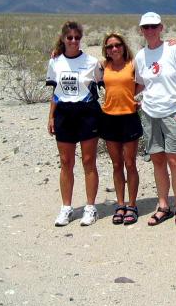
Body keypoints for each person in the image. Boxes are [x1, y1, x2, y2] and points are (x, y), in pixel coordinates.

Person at [134, 12, 176, 227]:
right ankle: (163, 206)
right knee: (157, 160)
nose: (150, 30)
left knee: (174, 160)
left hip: (173, 111)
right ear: (141, 30)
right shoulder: (140, 56)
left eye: (154, 26)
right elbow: (140, 83)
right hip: (150, 113)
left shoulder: (173, 50)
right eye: (146, 27)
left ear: (161, 28)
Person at [46, 21, 103, 227]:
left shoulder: (91, 62)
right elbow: (55, 92)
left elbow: (106, 78)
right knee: (66, 162)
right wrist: (51, 117)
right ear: (63, 39)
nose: (73, 41)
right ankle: (66, 208)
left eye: (77, 38)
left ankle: (90, 207)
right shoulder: (55, 62)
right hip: (64, 114)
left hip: (87, 113)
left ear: (81, 39)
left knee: (89, 161)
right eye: (69, 38)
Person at [99, 32, 142, 225]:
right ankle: (120, 204)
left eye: (117, 45)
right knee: (116, 165)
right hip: (109, 118)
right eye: (110, 47)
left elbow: (144, 79)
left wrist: (132, 95)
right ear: (106, 50)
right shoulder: (102, 65)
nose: (114, 49)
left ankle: (132, 205)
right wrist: (57, 53)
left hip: (129, 117)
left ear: (124, 46)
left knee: (130, 163)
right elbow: (76, 59)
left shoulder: (133, 63)